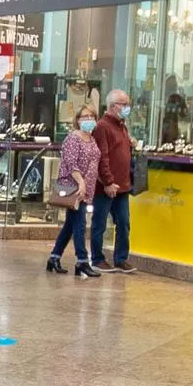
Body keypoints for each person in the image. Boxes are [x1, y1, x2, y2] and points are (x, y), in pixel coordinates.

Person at [43, 98, 101, 277]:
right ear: (77, 119)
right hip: (74, 188)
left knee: (70, 224)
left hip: (87, 189)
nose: (88, 119)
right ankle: (82, 260)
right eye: (84, 116)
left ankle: (54, 257)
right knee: (80, 223)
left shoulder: (91, 139)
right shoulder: (72, 138)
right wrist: (81, 182)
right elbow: (70, 162)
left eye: (91, 116)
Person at [91, 89, 138, 272]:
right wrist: (108, 181)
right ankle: (97, 258)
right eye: (124, 104)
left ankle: (121, 258)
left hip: (123, 186)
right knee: (100, 224)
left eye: (128, 104)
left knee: (124, 224)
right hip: (106, 187)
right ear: (113, 106)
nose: (127, 108)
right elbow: (102, 157)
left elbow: (121, 154)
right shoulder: (102, 127)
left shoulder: (122, 126)